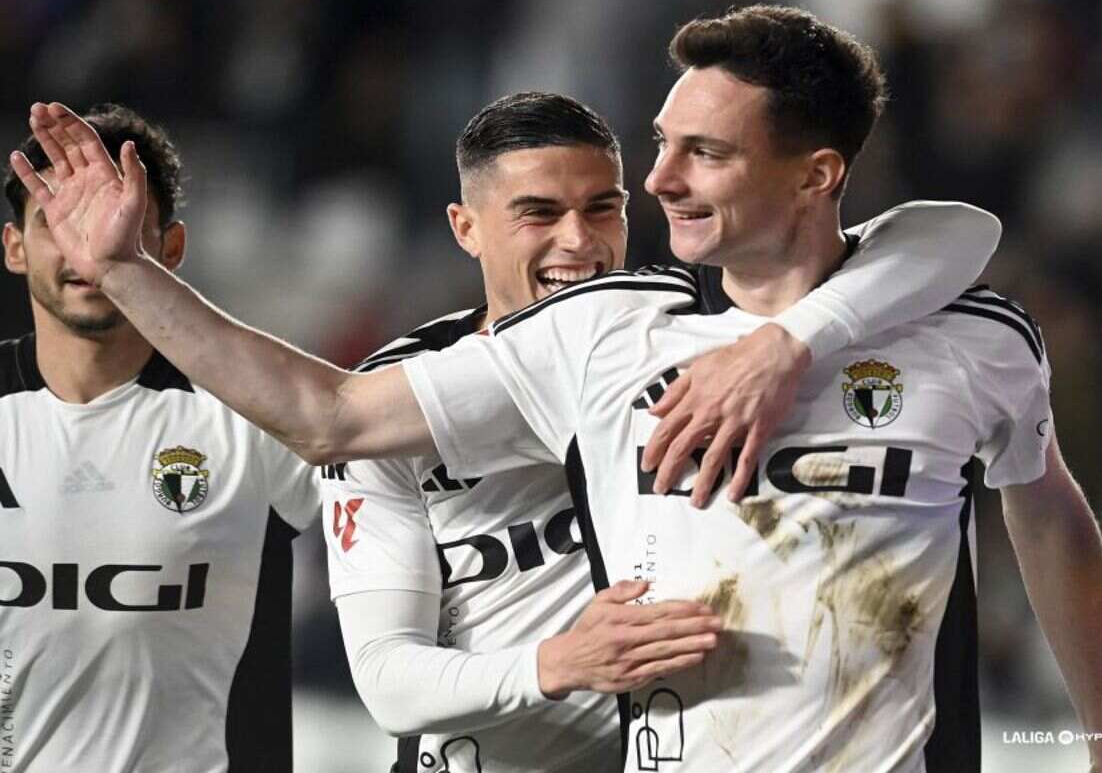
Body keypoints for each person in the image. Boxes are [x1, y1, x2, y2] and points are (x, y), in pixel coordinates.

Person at [23, 9, 1102, 773]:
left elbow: (1047, 506)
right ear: (465, 229)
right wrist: (129, 271)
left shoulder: (972, 333)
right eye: (661, 146)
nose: (657, 184)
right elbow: (331, 416)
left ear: (816, 175)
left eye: (701, 153)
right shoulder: (603, 334)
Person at [320, 92, 1001, 772]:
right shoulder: (404, 399)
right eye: (539, 213)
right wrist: (558, 661)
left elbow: (952, 235)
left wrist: (789, 340)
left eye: (601, 208)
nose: (579, 241)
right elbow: (389, 684)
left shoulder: (693, 332)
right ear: (466, 228)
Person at [0, 105, 319, 772]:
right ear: (14, 246)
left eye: (116, 225)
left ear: (170, 249)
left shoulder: (250, 416)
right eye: (57, 224)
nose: (88, 250)